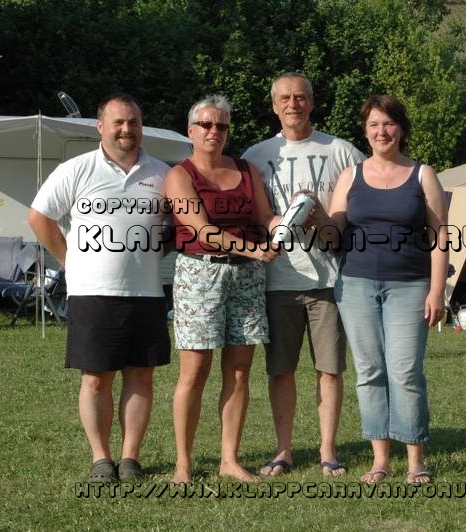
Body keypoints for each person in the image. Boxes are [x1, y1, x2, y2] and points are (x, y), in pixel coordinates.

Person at [27, 93, 171, 482]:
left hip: (146, 292)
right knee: (96, 379)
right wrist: (67, 259)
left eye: (134, 122)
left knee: (142, 377)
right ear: (101, 127)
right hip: (93, 292)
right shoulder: (76, 169)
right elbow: (39, 216)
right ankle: (101, 459)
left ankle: (130, 460)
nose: (127, 130)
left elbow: (179, 226)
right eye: (119, 122)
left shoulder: (162, 173)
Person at [241, 72, 365, 478]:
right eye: (284, 98)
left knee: (330, 369)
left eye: (300, 97)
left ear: (312, 102)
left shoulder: (341, 151)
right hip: (278, 280)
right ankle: (283, 451)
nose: (292, 104)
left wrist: (322, 218)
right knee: (281, 370)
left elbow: (363, 208)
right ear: (274, 105)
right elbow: (252, 217)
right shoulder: (256, 156)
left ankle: (328, 451)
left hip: (329, 281)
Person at [327, 94, 449, 485]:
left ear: (401, 128)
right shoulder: (350, 176)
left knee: (405, 372)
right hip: (356, 285)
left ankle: (416, 461)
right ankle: (380, 460)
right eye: (374, 125)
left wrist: (436, 290)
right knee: (369, 371)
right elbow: (332, 236)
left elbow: (439, 235)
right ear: (366, 132)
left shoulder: (422, 174)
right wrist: (311, 212)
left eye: (389, 123)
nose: (382, 132)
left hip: (410, 286)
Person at [166, 95, 280, 484]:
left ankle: (229, 459)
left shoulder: (248, 170)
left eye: (222, 126)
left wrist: (290, 219)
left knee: (238, 372)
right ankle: (184, 463)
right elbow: (200, 230)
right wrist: (252, 248)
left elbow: (265, 217)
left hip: (247, 277)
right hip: (200, 274)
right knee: (194, 373)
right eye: (207, 125)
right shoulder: (179, 175)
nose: (215, 131)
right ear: (191, 131)